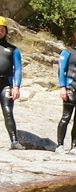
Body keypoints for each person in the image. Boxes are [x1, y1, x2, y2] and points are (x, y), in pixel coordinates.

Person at [0, 16, 23, 150]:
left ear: (6, 31)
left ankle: (14, 141)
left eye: (1, 29)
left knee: (8, 111)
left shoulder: (13, 49)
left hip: (6, 84)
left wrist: (16, 87)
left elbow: (18, 68)